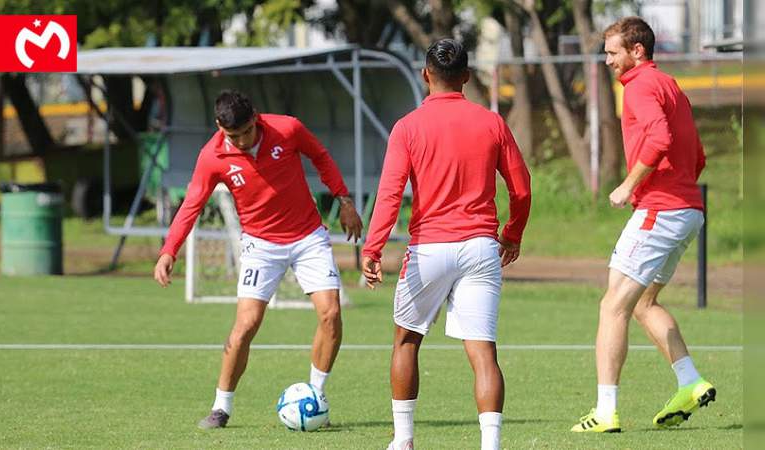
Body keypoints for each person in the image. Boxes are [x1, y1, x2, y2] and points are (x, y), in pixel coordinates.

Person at [153, 89, 363, 429]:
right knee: (246, 325)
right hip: (260, 245)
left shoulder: (288, 129)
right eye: (232, 136)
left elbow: (321, 156)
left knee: (331, 313)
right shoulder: (212, 157)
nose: (240, 141)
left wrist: (344, 200)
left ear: (257, 119)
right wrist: (169, 250)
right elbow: (192, 204)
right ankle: (221, 407)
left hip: (309, 237)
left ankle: (316, 396)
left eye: (246, 132)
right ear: (220, 128)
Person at [361, 38, 532, 450]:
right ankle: (490, 446)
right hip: (480, 248)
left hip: (429, 250)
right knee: (484, 353)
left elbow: (389, 195)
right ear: (467, 78)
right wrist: (513, 233)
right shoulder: (492, 122)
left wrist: (372, 249)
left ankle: (403, 441)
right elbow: (522, 189)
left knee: (406, 341)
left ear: (425, 75)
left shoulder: (407, 127)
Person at [571, 17, 714, 433]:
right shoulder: (670, 85)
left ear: (637, 51)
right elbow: (697, 154)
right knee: (643, 303)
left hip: (659, 209)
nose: (607, 60)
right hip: (687, 209)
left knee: (612, 306)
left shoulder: (639, 86)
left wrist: (628, 185)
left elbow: (660, 138)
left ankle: (605, 411)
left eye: (613, 52)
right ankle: (690, 382)